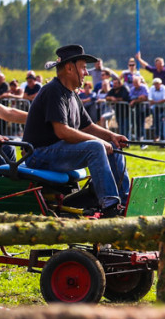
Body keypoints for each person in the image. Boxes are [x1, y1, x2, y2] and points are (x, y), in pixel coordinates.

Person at [22, 45, 130, 218]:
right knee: (95, 147)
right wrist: (99, 142)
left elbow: (88, 126)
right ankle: (109, 205)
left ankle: (124, 203)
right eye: (83, 67)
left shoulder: (72, 95)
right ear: (69, 68)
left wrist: (112, 136)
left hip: (56, 151)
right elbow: (62, 132)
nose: (86, 72)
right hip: (38, 155)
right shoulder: (53, 91)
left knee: (113, 147)